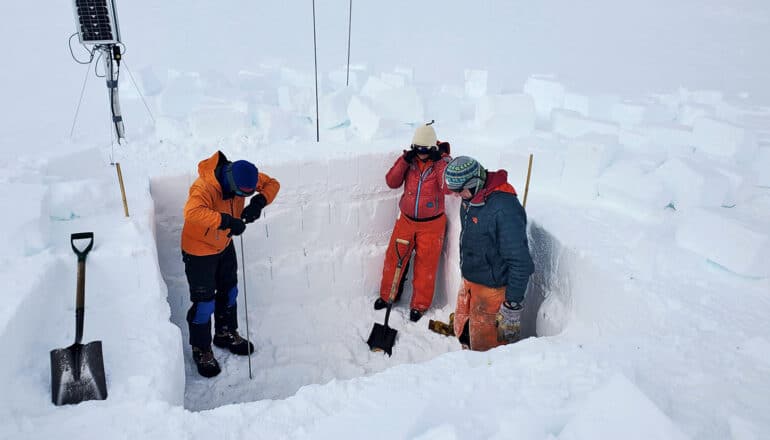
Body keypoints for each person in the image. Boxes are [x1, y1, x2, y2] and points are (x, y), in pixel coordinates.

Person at [180, 150, 280, 377]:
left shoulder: (244, 175)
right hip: (198, 250)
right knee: (204, 303)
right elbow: (191, 212)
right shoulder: (204, 187)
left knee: (230, 291)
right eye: (241, 194)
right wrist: (225, 221)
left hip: (223, 245)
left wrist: (258, 202)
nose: (242, 197)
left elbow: (273, 183)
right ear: (230, 183)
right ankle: (201, 348)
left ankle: (225, 333)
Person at [444, 156, 534, 351]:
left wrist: (511, 307)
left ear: (475, 183)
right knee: (465, 333)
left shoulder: (504, 209)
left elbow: (521, 262)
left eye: (460, 191)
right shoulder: (471, 197)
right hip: (470, 286)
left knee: (488, 353)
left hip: (493, 295)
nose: (458, 195)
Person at [375, 121, 452, 322]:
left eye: (426, 150)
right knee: (394, 257)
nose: (421, 154)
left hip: (432, 224)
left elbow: (448, 188)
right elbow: (391, 182)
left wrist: (440, 162)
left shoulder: (441, 163)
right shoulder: (409, 161)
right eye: (417, 150)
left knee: (426, 264)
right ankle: (388, 295)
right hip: (407, 220)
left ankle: (419, 305)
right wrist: (403, 160)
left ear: (433, 148)